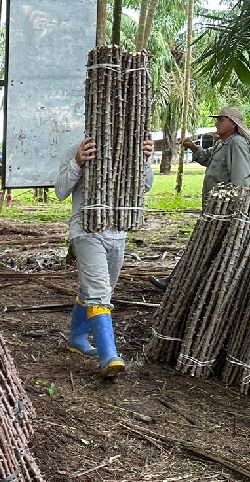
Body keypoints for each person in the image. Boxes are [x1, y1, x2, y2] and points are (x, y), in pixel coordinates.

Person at [56, 136, 154, 378]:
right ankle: (109, 355)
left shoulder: (130, 151)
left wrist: (144, 160)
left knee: (99, 289)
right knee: (99, 291)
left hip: (118, 232)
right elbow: (60, 191)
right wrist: (78, 162)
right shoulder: (74, 149)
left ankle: (77, 338)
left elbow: (146, 186)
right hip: (86, 231)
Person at [150, 106, 250, 291]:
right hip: (213, 208)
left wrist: (236, 208)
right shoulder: (224, 142)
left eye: (221, 120)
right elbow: (208, 158)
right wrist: (193, 147)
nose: (216, 123)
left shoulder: (236, 144)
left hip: (224, 210)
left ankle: (177, 282)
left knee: (201, 245)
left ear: (232, 123)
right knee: (202, 244)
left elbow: (241, 180)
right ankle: (180, 282)